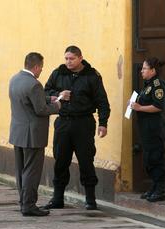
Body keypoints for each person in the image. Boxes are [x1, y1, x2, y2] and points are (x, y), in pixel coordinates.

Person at [43, 45, 110, 210]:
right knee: (61, 160)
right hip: (64, 122)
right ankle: (57, 198)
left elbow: (102, 101)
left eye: (71, 59)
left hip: (84, 123)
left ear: (80, 58)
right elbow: (45, 93)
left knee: (86, 160)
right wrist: (58, 96)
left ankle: (90, 199)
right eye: (66, 58)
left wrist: (103, 123)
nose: (68, 62)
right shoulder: (58, 73)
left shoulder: (92, 76)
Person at [9, 52, 60, 216]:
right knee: (32, 170)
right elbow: (41, 110)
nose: (41, 71)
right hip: (33, 134)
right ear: (36, 66)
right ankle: (29, 205)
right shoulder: (34, 84)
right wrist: (58, 105)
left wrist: (50, 98)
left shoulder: (15, 79)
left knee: (20, 170)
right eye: (41, 68)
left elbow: (30, 100)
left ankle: (23, 201)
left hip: (18, 132)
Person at [130, 57, 165, 202]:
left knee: (155, 157)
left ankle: (161, 190)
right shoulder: (147, 85)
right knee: (149, 158)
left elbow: (159, 106)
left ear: (153, 70)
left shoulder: (158, 85)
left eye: (144, 68)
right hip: (146, 127)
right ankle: (154, 186)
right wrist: (134, 104)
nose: (141, 71)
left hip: (155, 127)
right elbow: (143, 102)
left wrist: (139, 108)